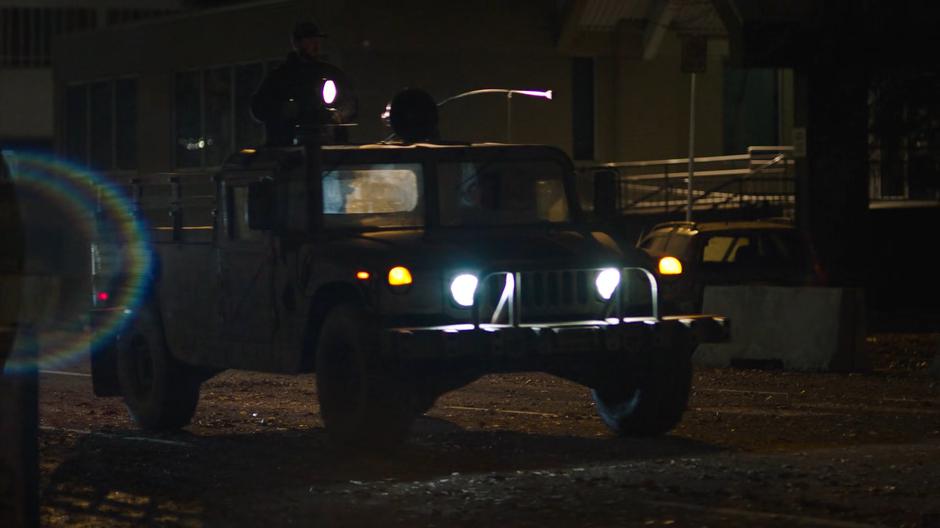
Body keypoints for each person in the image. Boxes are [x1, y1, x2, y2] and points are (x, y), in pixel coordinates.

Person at [251, 21, 357, 145]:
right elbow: (258, 108)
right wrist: (283, 109)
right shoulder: (280, 77)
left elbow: (351, 103)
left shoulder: (331, 73)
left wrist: (340, 114)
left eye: (317, 40)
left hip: (329, 149)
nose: (316, 45)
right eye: (310, 41)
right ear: (296, 44)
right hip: (289, 150)